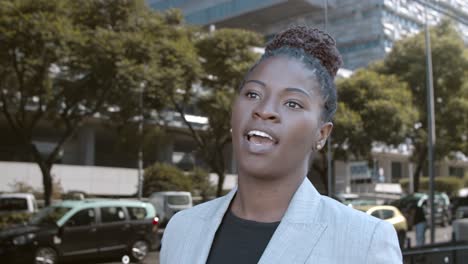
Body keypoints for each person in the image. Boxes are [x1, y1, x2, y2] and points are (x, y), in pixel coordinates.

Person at [160, 25, 402, 263]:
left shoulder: (365, 242)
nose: (264, 110)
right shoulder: (181, 229)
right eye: (253, 94)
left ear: (321, 134)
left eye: (293, 103)